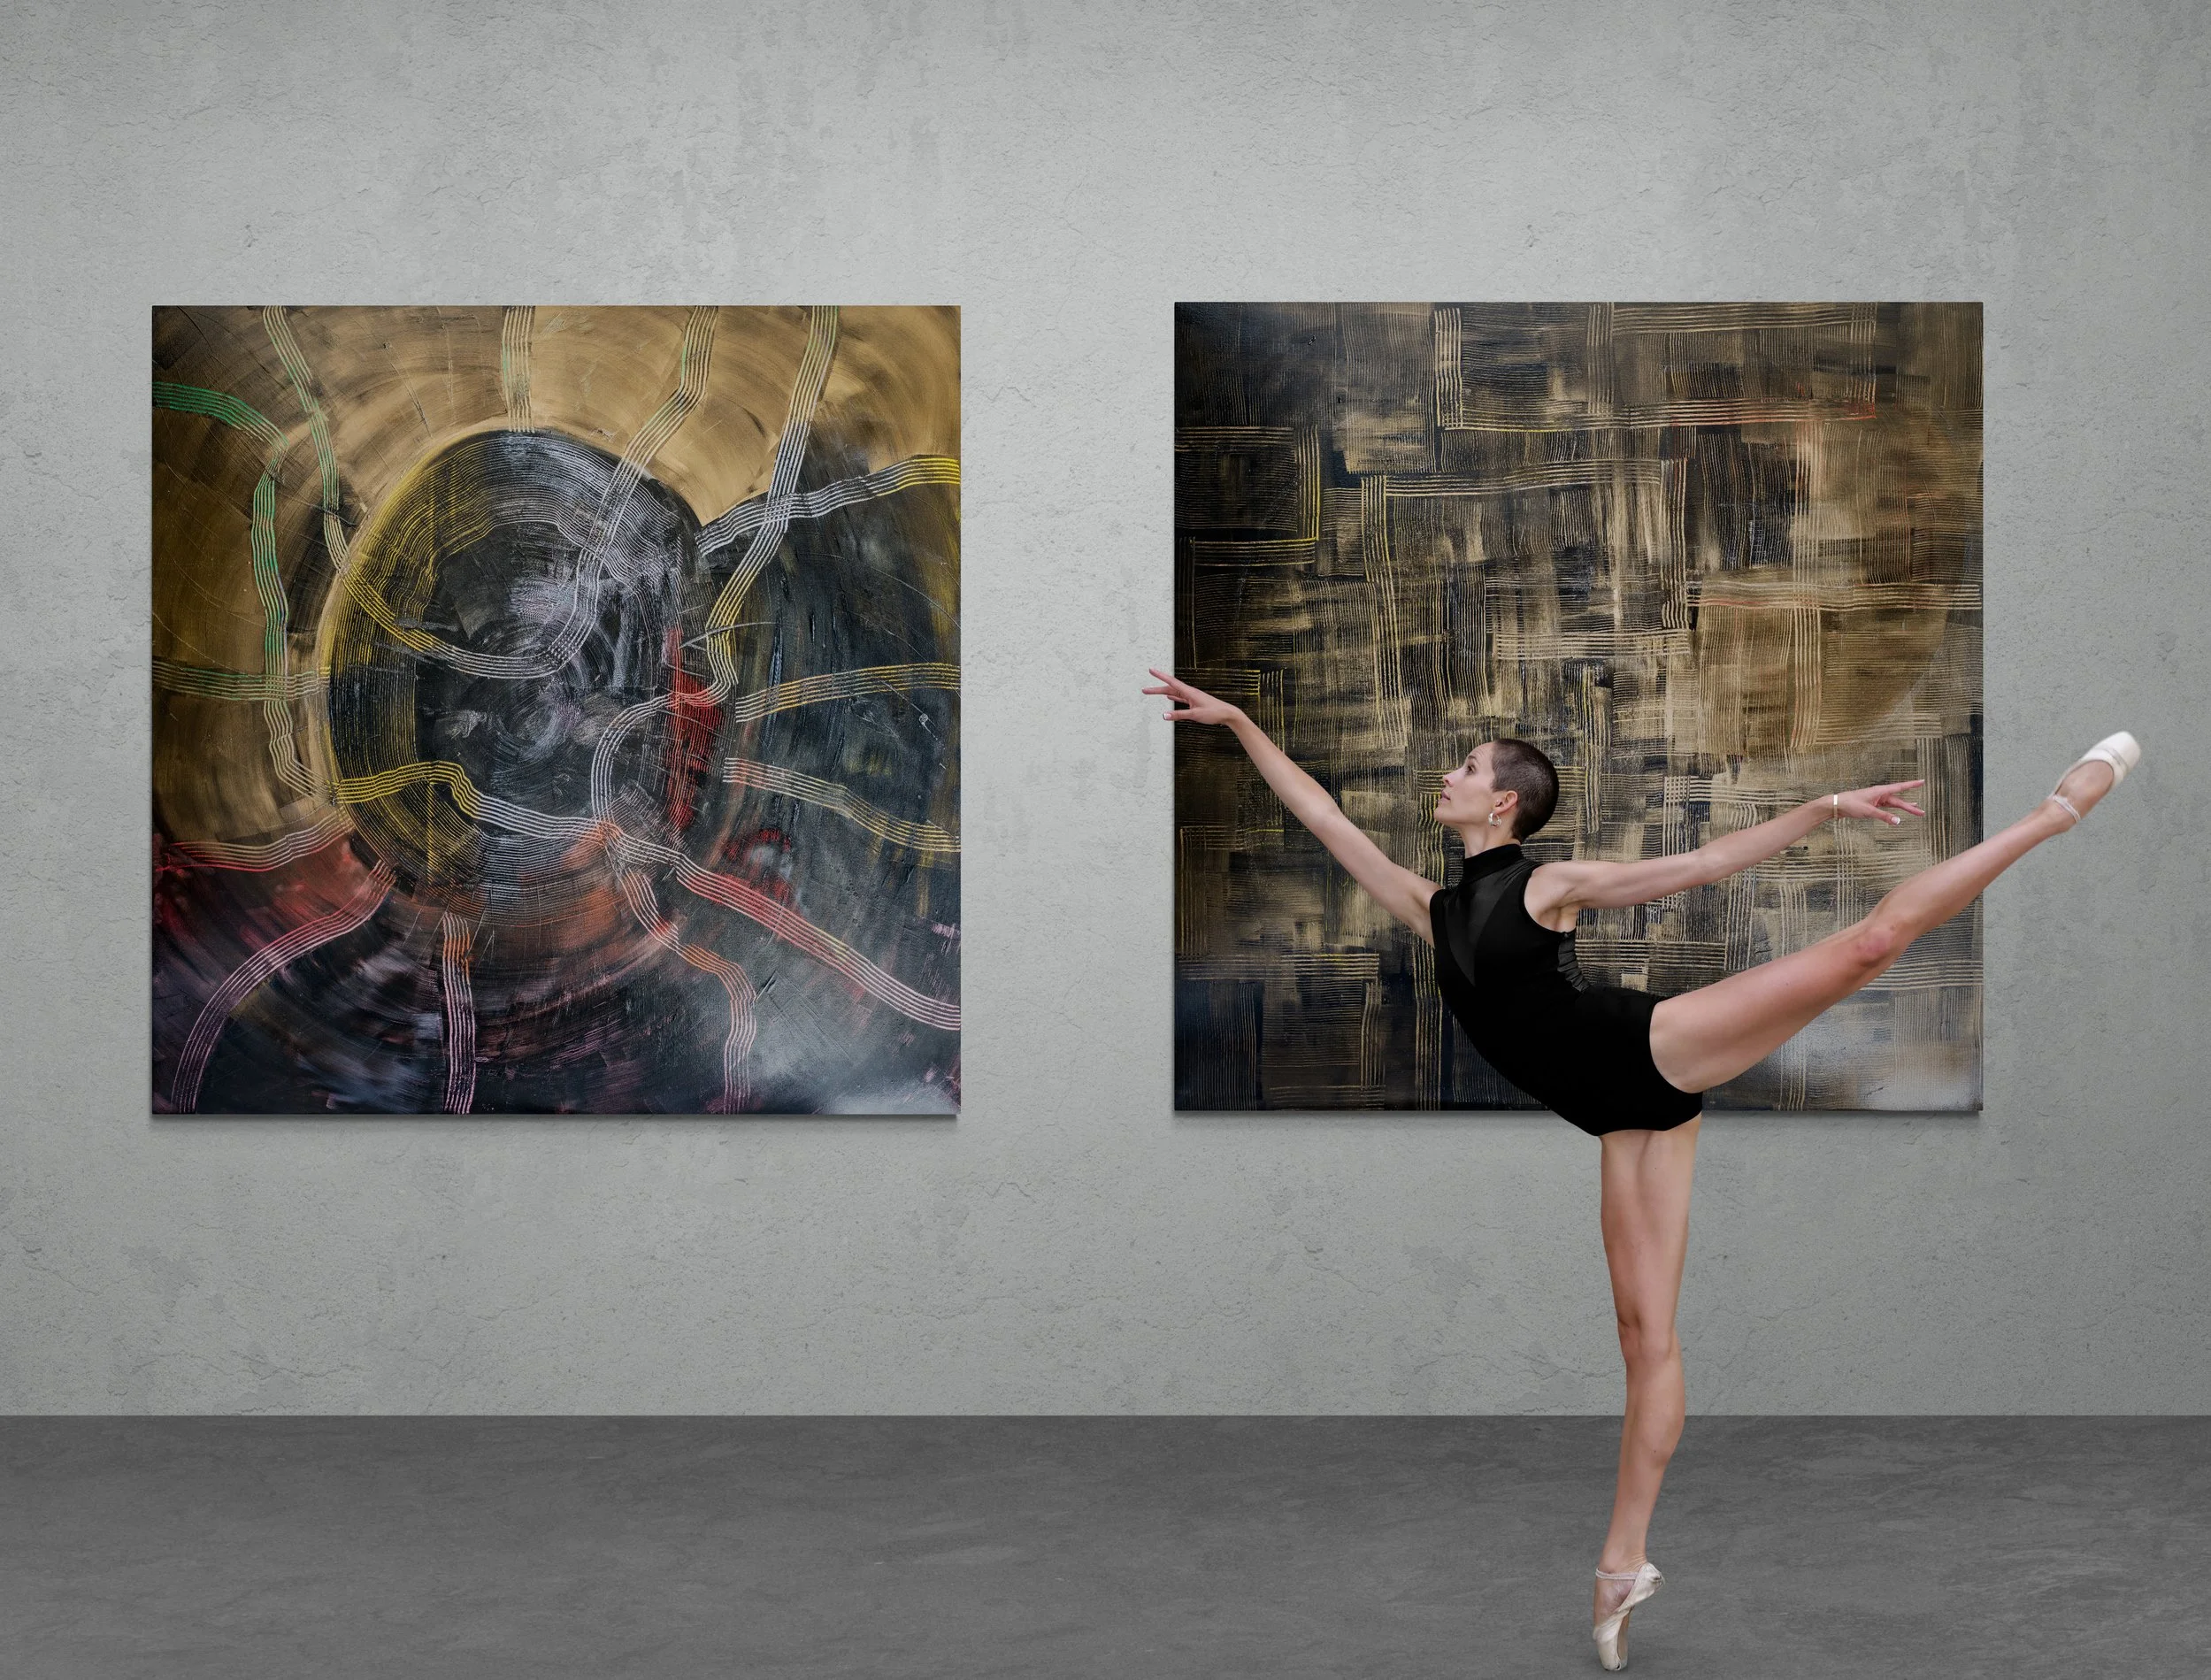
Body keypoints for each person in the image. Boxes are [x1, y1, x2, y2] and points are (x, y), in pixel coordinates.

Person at [1143, 667, 2140, 1671]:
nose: (1444, 775)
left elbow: (1702, 863)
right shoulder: (1428, 906)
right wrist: (1236, 723)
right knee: (1645, 1341)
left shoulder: (1548, 884)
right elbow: (1318, 813)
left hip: (1644, 1051)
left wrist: (1827, 805)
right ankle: (1623, 1567)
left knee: (1866, 947)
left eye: (1466, 767)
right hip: (1619, 1118)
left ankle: (2054, 812)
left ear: (1503, 802)